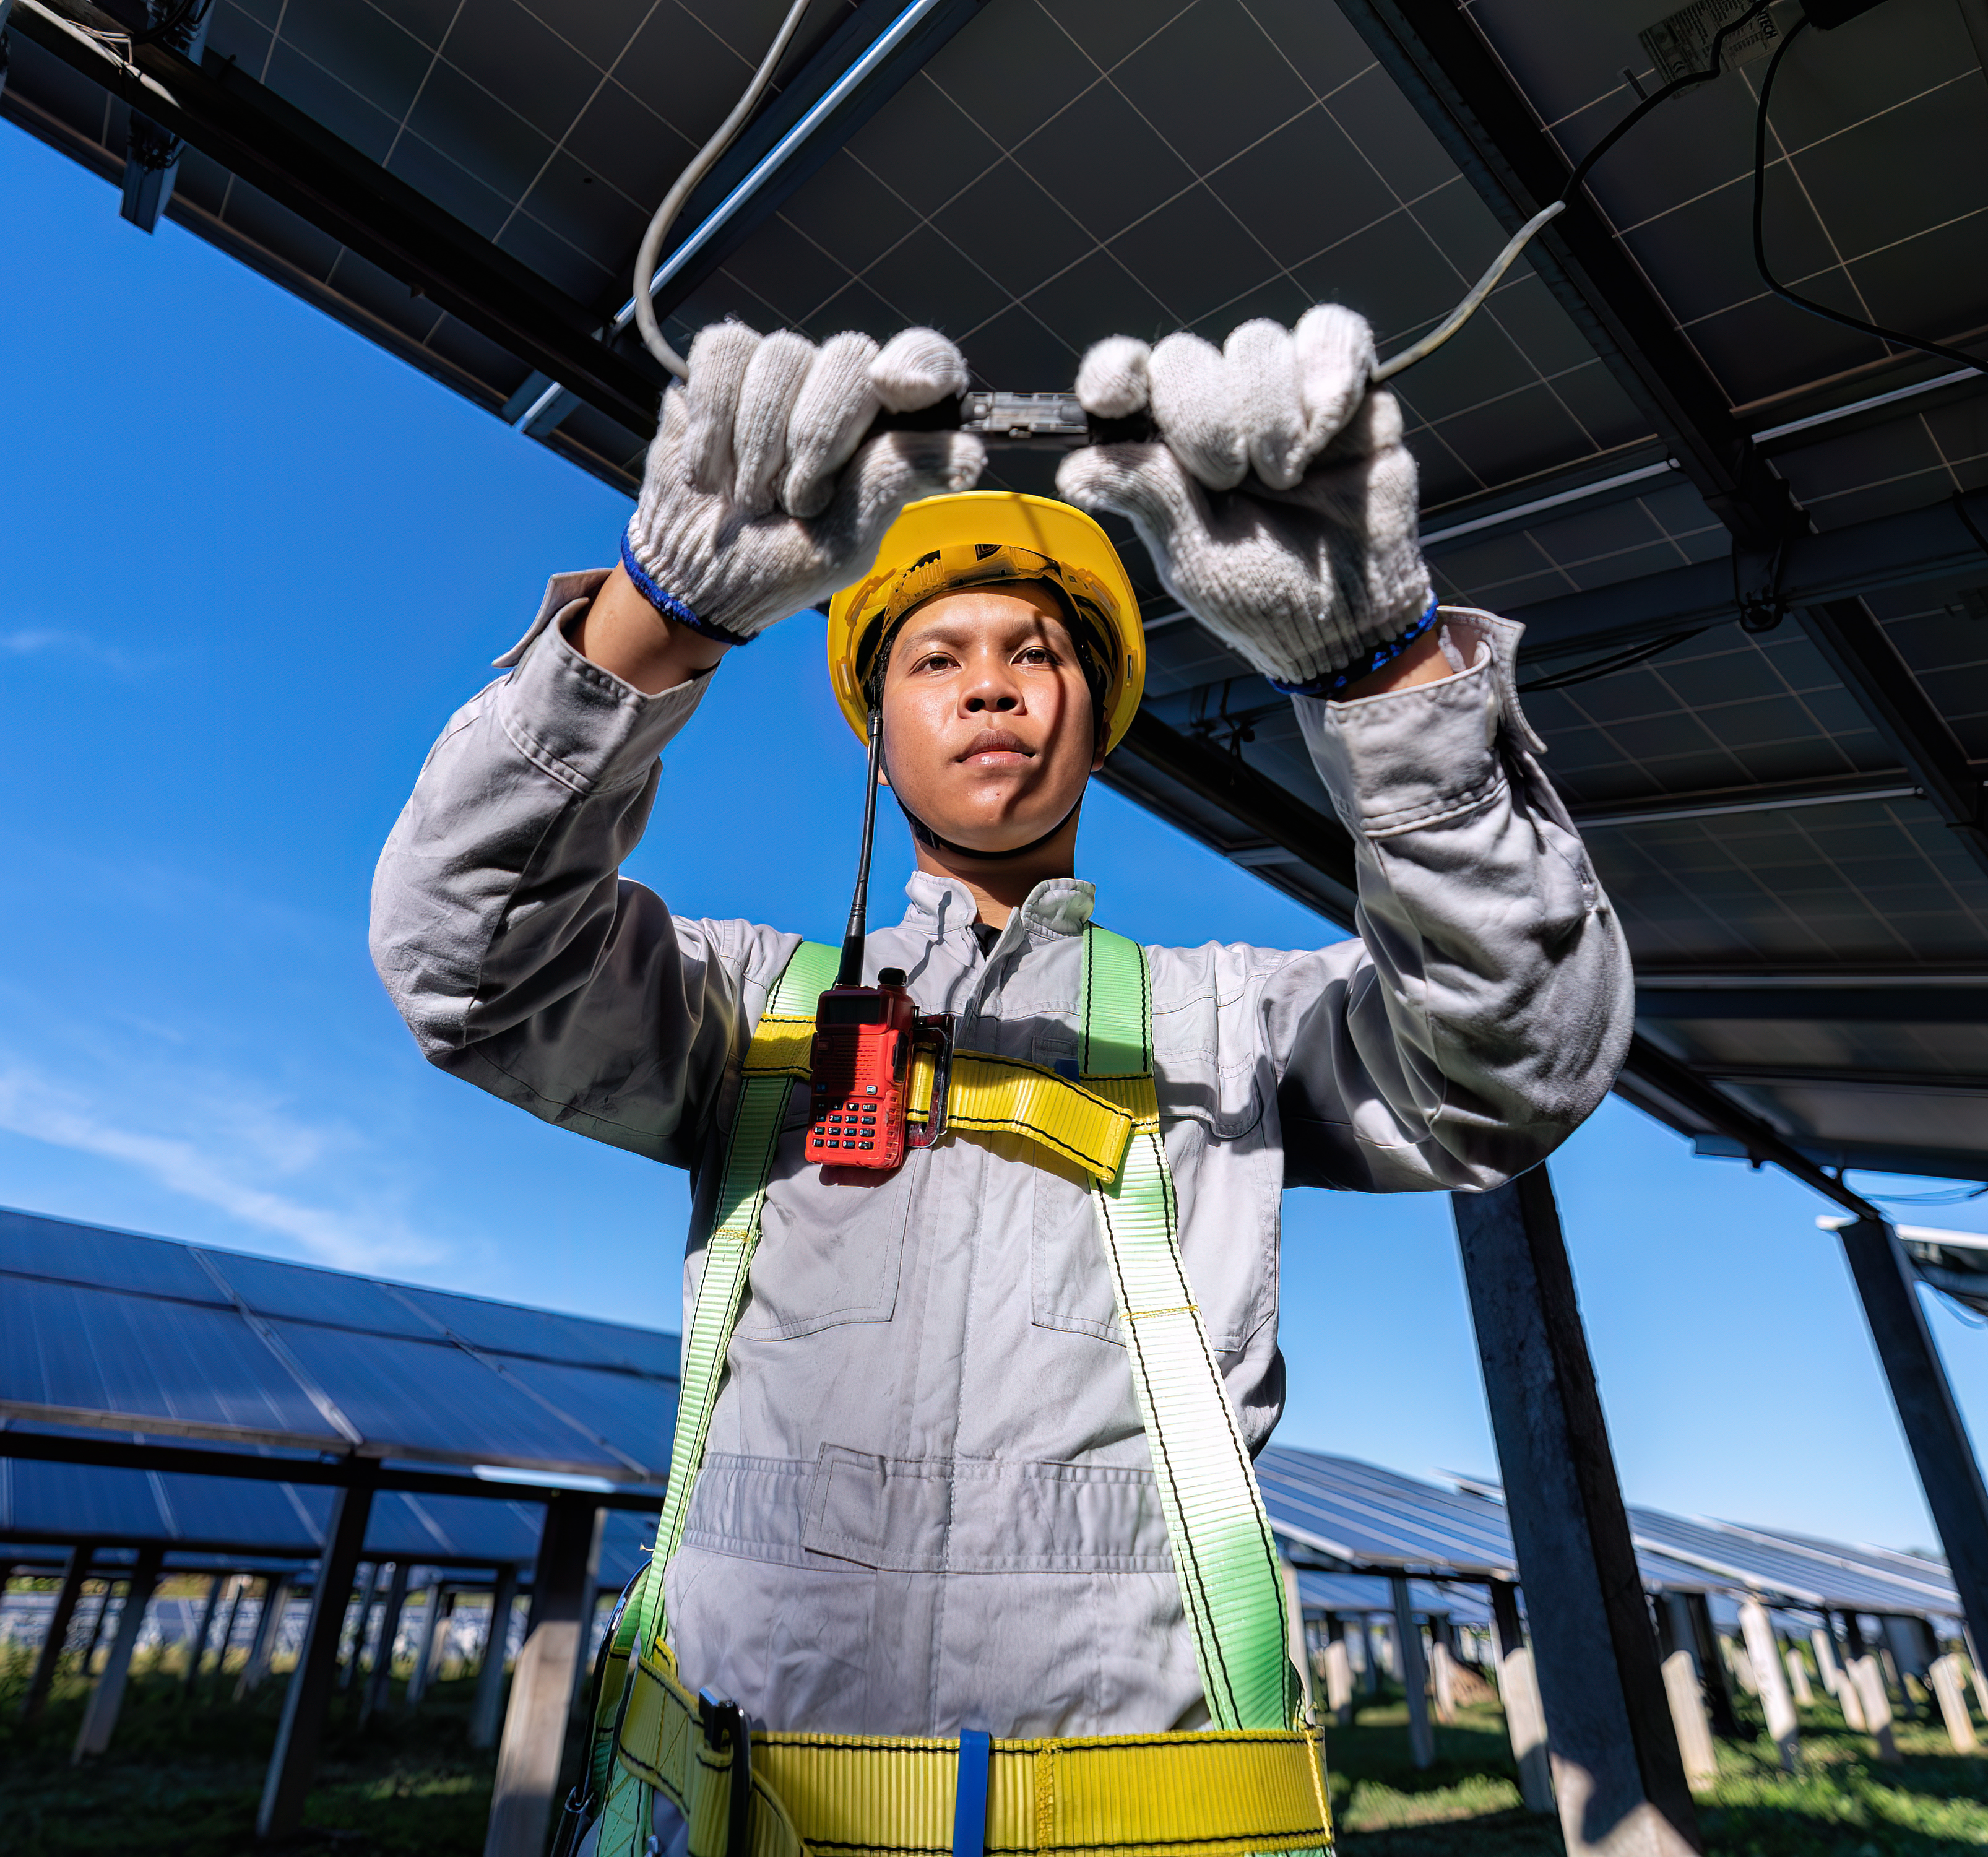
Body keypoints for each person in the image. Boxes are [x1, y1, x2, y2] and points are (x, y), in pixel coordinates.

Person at [371, 306, 1631, 1857]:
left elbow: (1519, 1057)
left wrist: (1386, 680)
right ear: (875, 732)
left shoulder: (1225, 1030)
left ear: (1097, 724)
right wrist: (654, 616)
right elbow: (467, 962)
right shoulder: (747, 1013)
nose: (992, 687)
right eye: (937, 657)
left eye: (1039, 653)